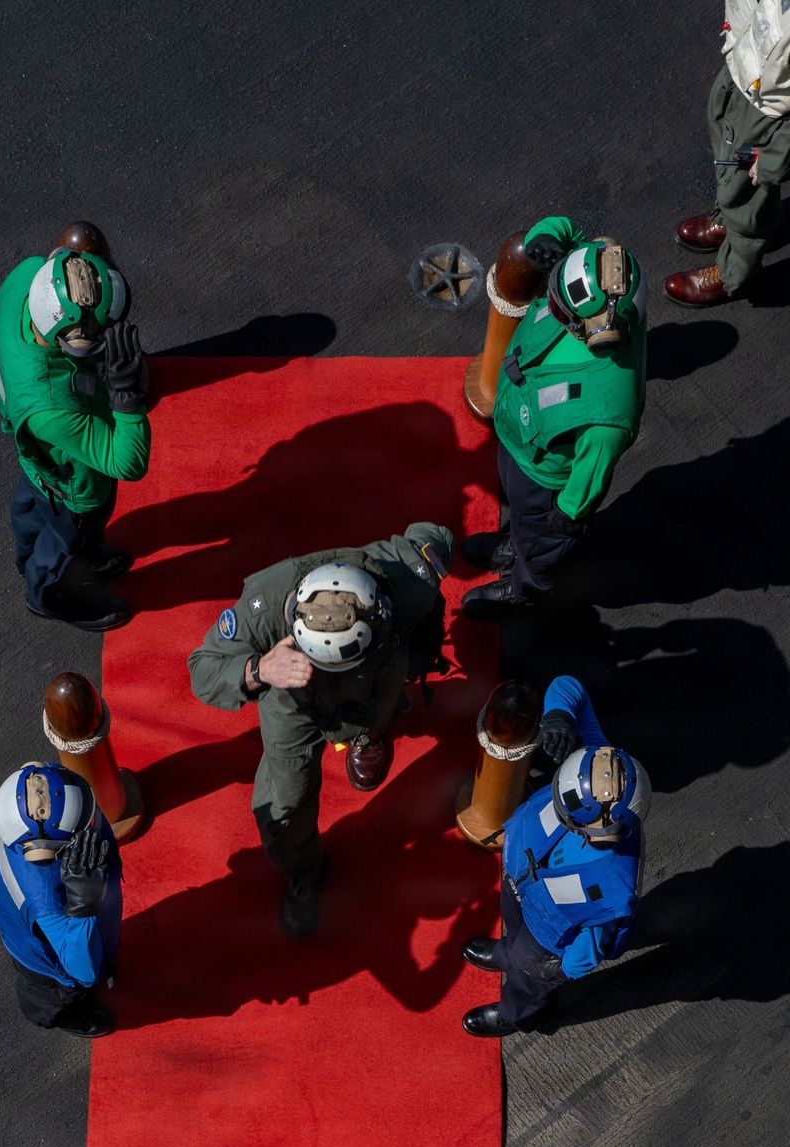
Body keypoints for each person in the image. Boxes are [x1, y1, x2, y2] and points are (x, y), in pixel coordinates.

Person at [188, 525, 453, 937]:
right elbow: (202, 669)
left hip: (371, 691)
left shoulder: (409, 575)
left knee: (378, 708)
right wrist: (258, 670)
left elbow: (435, 536)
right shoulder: (265, 604)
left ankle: (370, 735)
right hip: (294, 702)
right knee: (284, 803)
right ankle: (303, 874)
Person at [461, 218, 646, 618]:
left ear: (595, 332)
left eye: (560, 310)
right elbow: (567, 230)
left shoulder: (611, 410)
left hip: (545, 481)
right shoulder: (606, 275)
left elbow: (590, 475)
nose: (550, 305)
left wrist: (563, 518)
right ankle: (515, 542)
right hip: (518, 440)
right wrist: (545, 237)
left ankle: (526, 588)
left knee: (541, 545)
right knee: (520, 516)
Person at [461, 675, 651, 1036]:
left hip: (546, 939)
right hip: (519, 887)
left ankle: (516, 1012)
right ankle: (506, 953)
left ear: (591, 827)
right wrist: (558, 718)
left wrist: (558, 970)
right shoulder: (595, 764)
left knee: (527, 977)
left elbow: (591, 949)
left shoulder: (612, 890)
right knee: (512, 933)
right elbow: (570, 687)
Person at [0, 236, 150, 629]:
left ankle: (28, 558)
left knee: (30, 508)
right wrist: (127, 397)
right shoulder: (50, 408)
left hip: (36, 455)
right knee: (68, 542)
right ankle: (50, 596)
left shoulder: (25, 277)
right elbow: (127, 462)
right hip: (72, 488)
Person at [0, 761, 122, 1039]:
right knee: (54, 994)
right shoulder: (46, 903)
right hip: (47, 960)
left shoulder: (11, 805)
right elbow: (83, 970)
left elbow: (43, 778)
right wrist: (83, 907)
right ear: (48, 849)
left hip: (19, 921)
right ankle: (64, 1016)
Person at [665, 3, 790, 306]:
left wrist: (776, 158)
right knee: (724, 134)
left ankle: (736, 274)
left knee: (745, 197)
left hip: (771, 107)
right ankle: (735, 219)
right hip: (746, 64)